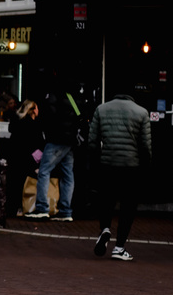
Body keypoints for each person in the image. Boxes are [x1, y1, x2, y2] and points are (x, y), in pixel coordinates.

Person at [87, 91, 151, 261]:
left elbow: (92, 141)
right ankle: (120, 247)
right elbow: (145, 146)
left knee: (106, 201)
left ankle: (105, 229)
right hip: (131, 167)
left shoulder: (101, 109)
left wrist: (95, 163)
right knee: (128, 207)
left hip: (107, 164)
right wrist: (146, 167)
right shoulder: (141, 112)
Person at [24, 74, 87, 221]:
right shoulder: (75, 98)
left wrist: (47, 133)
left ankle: (42, 207)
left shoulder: (54, 96)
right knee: (68, 174)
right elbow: (80, 117)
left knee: (44, 171)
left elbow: (49, 117)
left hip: (57, 138)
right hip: (71, 140)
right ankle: (65, 210)